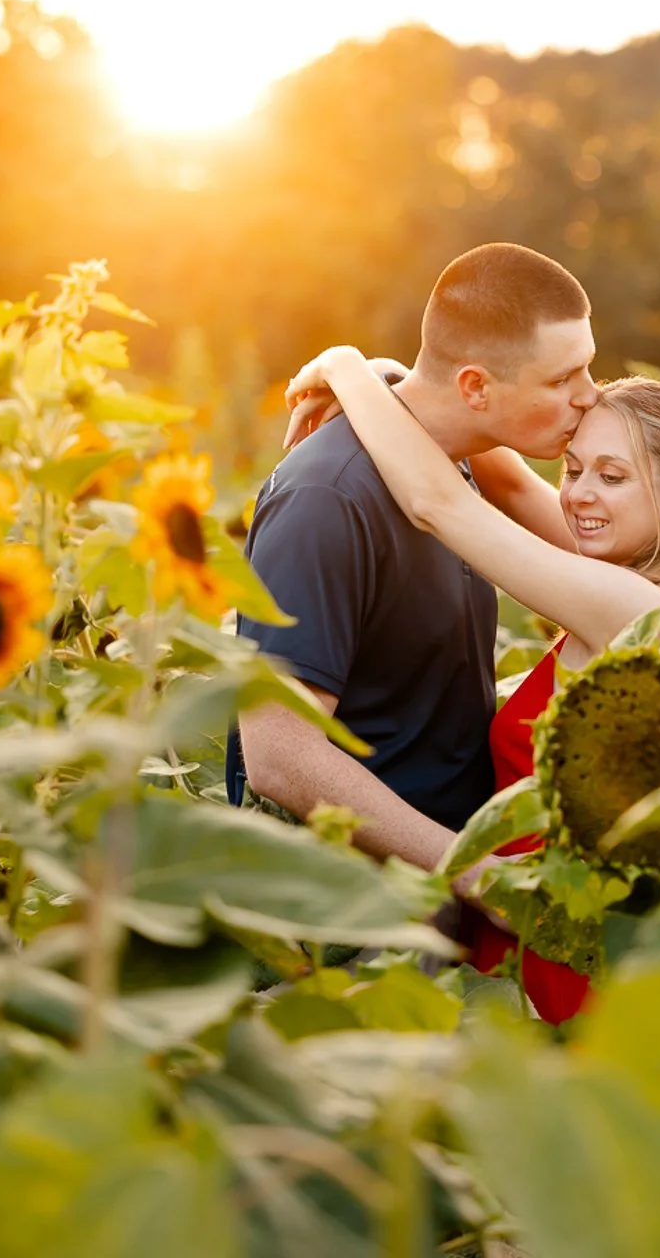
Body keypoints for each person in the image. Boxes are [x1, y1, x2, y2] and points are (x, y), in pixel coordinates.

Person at [281, 350, 660, 1022]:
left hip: (558, 954)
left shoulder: (637, 610)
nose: (580, 494)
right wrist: (399, 377)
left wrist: (344, 368)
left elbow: (437, 504)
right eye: (574, 468)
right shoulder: (640, 573)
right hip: (528, 926)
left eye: (612, 476)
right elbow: (504, 482)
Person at [226, 244, 598, 897]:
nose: (588, 399)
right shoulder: (326, 499)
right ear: (475, 386)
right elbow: (277, 755)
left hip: (442, 887)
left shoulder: (454, 460)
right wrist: (471, 873)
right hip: (352, 916)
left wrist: (364, 371)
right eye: (562, 379)